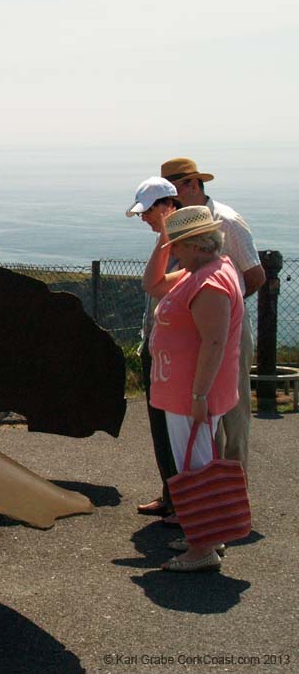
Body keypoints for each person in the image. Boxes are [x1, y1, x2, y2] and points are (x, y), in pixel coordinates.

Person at [144, 205, 244, 572]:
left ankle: (201, 550)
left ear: (199, 245)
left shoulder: (210, 282)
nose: (176, 253)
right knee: (199, 460)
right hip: (185, 392)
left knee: (195, 467)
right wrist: (163, 242)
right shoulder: (202, 270)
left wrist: (200, 395)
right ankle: (207, 535)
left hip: (191, 394)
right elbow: (152, 285)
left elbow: (213, 343)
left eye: (180, 245)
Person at [161, 158, 265, 474]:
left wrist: (220, 307)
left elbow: (256, 274)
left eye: (173, 191)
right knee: (201, 416)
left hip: (226, 332)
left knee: (231, 413)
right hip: (192, 333)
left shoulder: (227, 221)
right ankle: (203, 497)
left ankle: (233, 498)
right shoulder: (179, 221)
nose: (169, 201)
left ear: (192, 184)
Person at [125, 177, 181, 517]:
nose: (144, 218)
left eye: (148, 212)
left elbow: (157, 286)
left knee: (173, 428)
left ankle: (183, 503)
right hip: (158, 346)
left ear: (166, 207)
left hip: (173, 352)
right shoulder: (167, 240)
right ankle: (171, 494)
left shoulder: (182, 242)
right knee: (160, 426)